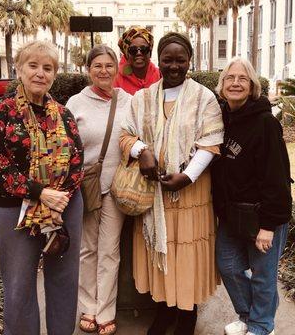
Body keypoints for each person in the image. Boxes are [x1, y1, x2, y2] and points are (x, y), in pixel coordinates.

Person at [119, 32, 224, 335]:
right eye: (168, 59)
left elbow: (210, 143)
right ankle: (164, 314)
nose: (174, 66)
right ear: (159, 61)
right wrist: (144, 152)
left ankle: (186, 317)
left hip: (191, 194)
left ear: (189, 60)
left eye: (181, 60)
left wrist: (187, 176)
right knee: (162, 254)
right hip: (156, 196)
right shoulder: (143, 97)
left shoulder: (204, 97)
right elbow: (126, 134)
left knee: (187, 254)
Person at [0, 40, 84, 335]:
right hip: (14, 206)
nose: (40, 73)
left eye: (48, 67)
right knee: (19, 283)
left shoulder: (63, 114)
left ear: (54, 73)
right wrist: (41, 193)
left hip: (64, 204)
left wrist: (61, 195)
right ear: (19, 69)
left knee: (64, 278)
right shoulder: (1, 112)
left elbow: (77, 158)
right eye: (33, 65)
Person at [211, 57, 292, 335]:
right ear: (221, 86)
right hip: (233, 214)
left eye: (242, 79)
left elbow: (277, 177)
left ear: (252, 86)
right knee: (228, 266)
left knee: (263, 276)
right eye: (230, 78)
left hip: (262, 214)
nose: (235, 83)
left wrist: (268, 226)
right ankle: (249, 316)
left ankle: (261, 326)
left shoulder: (265, 123)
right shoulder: (222, 118)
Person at [66, 45, 131, 335]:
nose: (103, 71)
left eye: (109, 65)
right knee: (87, 248)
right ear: (88, 69)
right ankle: (88, 308)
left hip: (117, 187)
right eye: (97, 66)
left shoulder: (129, 101)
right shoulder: (76, 103)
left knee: (109, 250)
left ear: (117, 68)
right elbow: (65, 148)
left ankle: (106, 310)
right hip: (86, 186)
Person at [114, 25, 161, 95]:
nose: (139, 53)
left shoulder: (160, 76)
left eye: (144, 49)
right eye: (133, 50)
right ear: (127, 54)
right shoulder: (115, 79)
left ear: (150, 52)